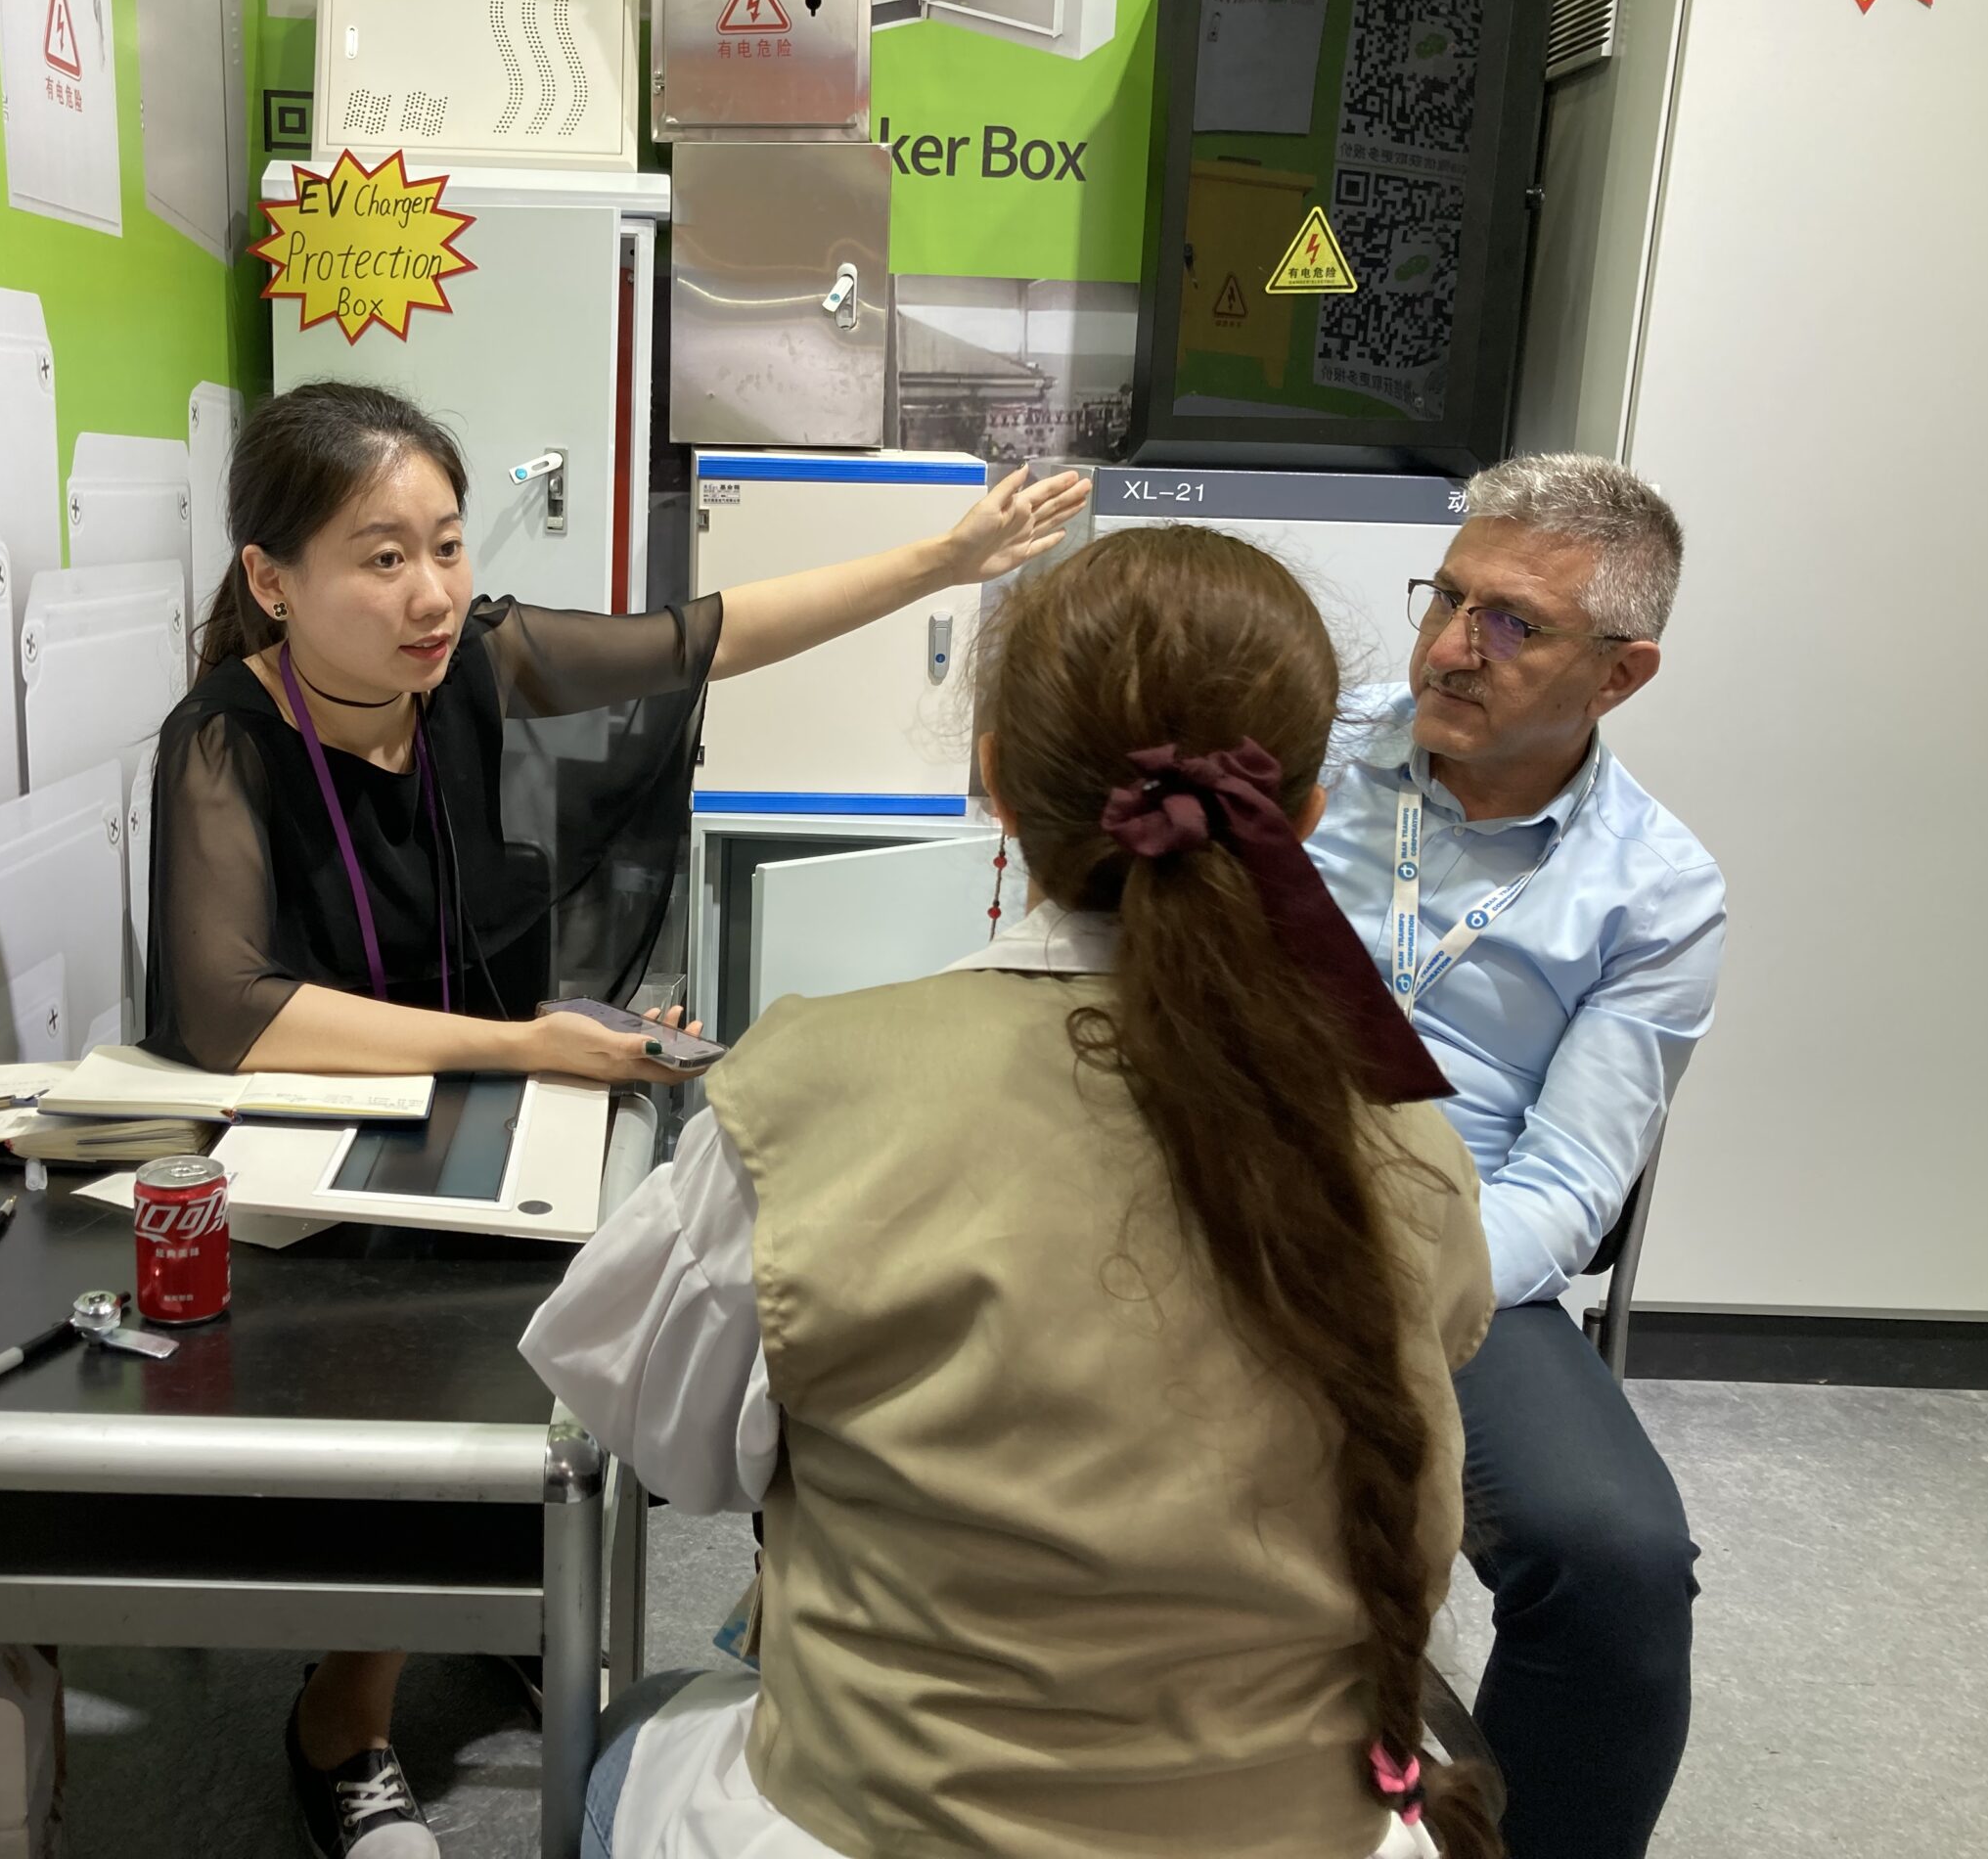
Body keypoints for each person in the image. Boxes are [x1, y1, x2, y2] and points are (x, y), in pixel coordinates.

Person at [141, 380, 1088, 1859]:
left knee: (561, 1364)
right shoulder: (221, 738)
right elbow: (237, 1013)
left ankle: (480, 1610)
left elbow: (711, 632)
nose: (431, 592)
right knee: (447, 1383)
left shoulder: (476, 662)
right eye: (380, 558)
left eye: (446, 545)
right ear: (272, 580)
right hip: (307, 1156)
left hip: (495, 1114)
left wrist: (943, 560)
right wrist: (527, 1043)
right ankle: (344, 1715)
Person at [524, 525, 1507, 1859]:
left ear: (991, 778)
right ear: (1309, 814)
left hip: (879, 1823)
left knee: (626, 1736)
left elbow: (664, 1438)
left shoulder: (810, 1090)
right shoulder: (1402, 1135)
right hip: (1305, 1832)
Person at [1303, 453, 1724, 1859]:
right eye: (1449, 597)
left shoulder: (1657, 891)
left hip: (1457, 1251)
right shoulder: (1312, 750)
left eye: (1512, 626)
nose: (1447, 649)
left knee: (1616, 1561)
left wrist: (1409, 1291)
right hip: (1209, 1179)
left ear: (1620, 675)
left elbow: (1573, 1181)